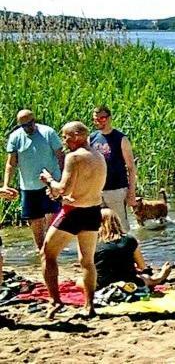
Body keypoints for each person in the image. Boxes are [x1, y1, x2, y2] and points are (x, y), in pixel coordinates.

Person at [39, 121, 107, 318]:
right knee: (87, 261)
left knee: (47, 254)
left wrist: (49, 180)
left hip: (73, 213)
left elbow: (64, 189)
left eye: (66, 136)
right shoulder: (98, 155)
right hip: (93, 210)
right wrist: (63, 194)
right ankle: (89, 305)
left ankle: (55, 301)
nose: (64, 141)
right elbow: (82, 187)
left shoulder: (74, 157)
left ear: (78, 135)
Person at [0, 110, 64, 250]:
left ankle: (52, 249)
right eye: (24, 125)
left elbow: (60, 156)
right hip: (28, 186)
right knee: (34, 221)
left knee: (53, 218)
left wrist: (63, 180)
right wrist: (6, 185)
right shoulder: (15, 137)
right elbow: (11, 163)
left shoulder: (48, 133)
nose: (28, 127)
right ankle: (40, 250)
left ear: (34, 121)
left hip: (50, 183)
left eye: (30, 123)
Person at [94, 208, 171, 289]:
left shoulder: (93, 244)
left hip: (103, 285)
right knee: (145, 277)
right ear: (117, 222)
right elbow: (142, 266)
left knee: (82, 280)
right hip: (130, 282)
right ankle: (160, 278)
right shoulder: (129, 239)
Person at [90, 106, 137, 232]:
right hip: (97, 190)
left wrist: (132, 192)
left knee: (120, 226)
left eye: (102, 118)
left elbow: (131, 168)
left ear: (109, 118)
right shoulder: (92, 138)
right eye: (96, 119)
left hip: (117, 189)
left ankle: (127, 251)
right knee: (99, 227)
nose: (99, 121)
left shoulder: (121, 139)